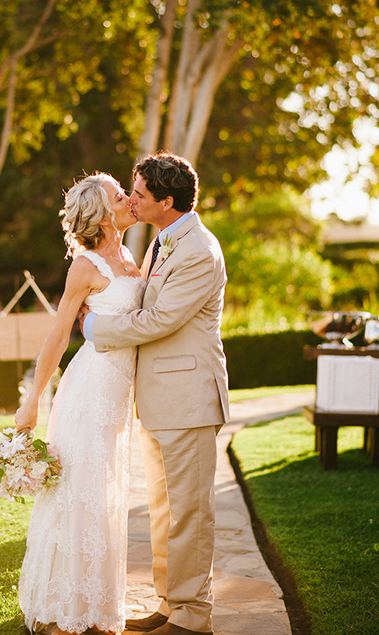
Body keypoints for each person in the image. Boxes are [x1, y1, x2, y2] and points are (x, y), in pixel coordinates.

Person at [82, 153, 230, 635]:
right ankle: (170, 604)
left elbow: (160, 320)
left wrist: (97, 327)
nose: (132, 198)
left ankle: (193, 618)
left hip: (188, 400)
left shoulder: (198, 252)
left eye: (141, 194)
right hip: (159, 400)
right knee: (166, 511)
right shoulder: (161, 244)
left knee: (190, 513)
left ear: (167, 202)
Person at [14, 173, 144, 635]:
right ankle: (62, 609)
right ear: (102, 212)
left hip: (117, 396)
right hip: (88, 390)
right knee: (78, 495)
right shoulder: (85, 266)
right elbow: (57, 335)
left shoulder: (131, 255)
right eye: (119, 194)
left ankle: (94, 605)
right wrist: (32, 402)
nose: (130, 198)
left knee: (104, 495)